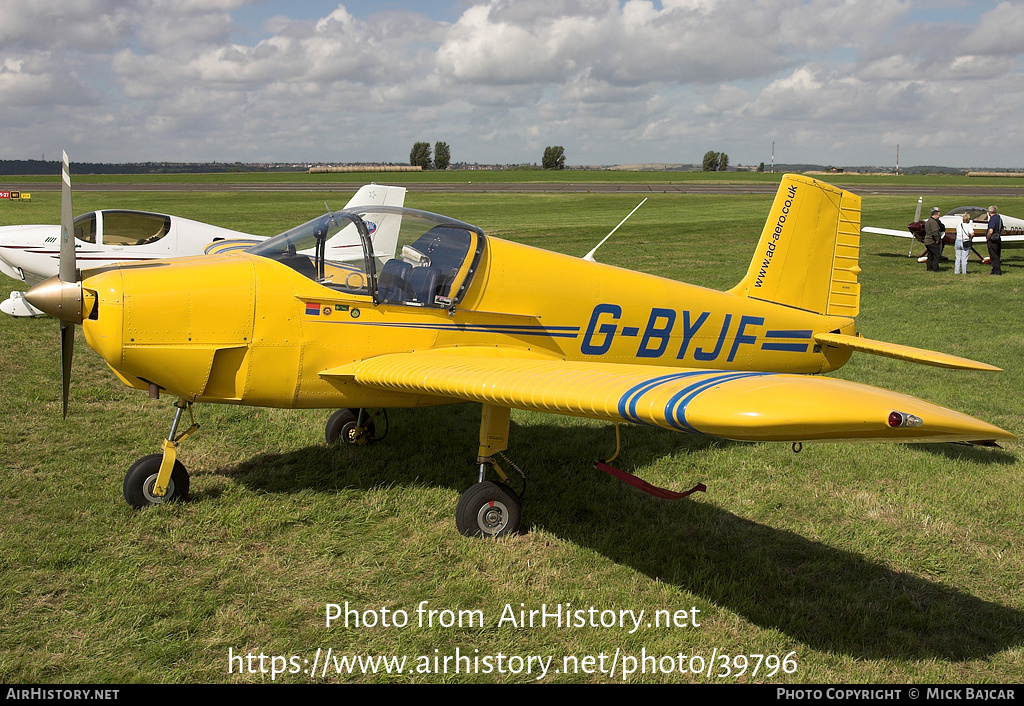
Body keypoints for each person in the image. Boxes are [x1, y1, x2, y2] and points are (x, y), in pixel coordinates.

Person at [924, 207, 944, 272]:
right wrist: (937, 239)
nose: (939, 217)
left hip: (927, 241)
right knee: (937, 255)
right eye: (938, 215)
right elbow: (935, 232)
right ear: (935, 215)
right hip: (931, 241)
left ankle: (929, 268)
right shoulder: (934, 222)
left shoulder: (929, 221)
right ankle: (935, 268)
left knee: (930, 255)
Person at [986, 205, 1003, 275]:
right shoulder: (999, 218)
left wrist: (987, 237)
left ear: (989, 212)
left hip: (992, 240)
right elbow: (1002, 229)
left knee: (993, 255)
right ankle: (995, 269)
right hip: (998, 238)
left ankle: (996, 270)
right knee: (997, 254)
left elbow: (991, 231)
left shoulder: (992, 219)